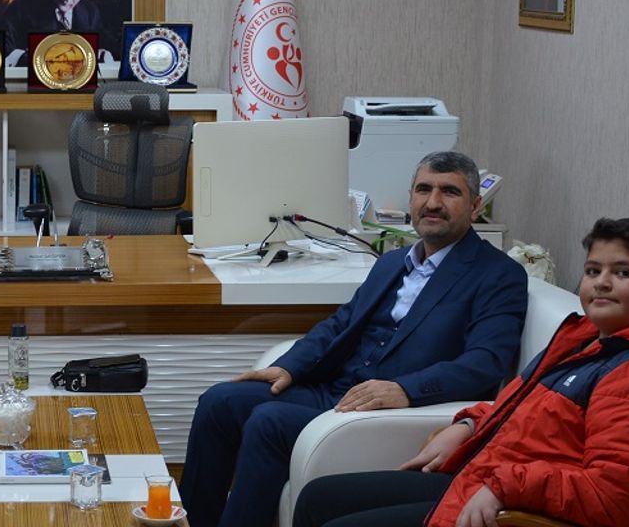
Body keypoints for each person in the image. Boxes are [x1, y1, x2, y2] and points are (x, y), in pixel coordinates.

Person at [293, 217, 629, 527]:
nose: (602, 282)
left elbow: (613, 498)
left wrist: (505, 486)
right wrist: (470, 424)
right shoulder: (589, 337)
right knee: (319, 497)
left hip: (519, 509)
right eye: (593, 271)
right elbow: (524, 407)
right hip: (488, 475)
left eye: (624, 273)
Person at [180, 151, 529, 527]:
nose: (432, 202)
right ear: (411, 197)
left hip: (389, 411)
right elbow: (341, 323)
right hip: (336, 389)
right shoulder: (393, 262)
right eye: (423, 189)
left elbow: (484, 363)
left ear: (475, 206)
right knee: (219, 402)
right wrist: (289, 367)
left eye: (449, 192)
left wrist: (405, 390)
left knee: (269, 421)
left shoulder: (498, 275)